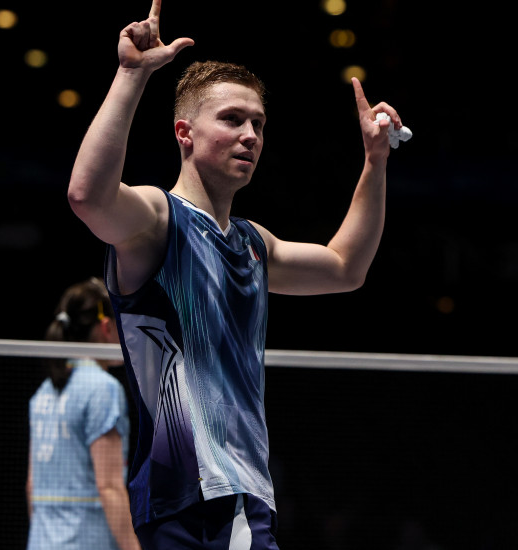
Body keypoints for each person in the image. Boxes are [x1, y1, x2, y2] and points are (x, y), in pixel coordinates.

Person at [66, 0, 405, 547]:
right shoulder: (158, 219)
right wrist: (131, 74)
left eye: (258, 124)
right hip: (193, 496)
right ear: (185, 133)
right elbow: (88, 196)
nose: (250, 134)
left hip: (234, 496)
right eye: (231, 119)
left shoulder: (252, 243)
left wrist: (375, 162)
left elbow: (346, 268)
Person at [27, 277, 139, 550]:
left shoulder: (44, 392)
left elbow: (32, 486)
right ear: (106, 327)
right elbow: (109, 487)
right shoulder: (102, 388)